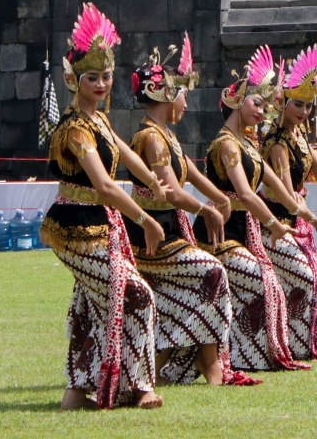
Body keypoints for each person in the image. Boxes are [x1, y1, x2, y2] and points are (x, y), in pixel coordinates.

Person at [40, 2, 166, 410]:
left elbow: (124, 154)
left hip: (98, 224)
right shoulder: (76, 128)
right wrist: (145, 218)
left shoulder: (98, 121)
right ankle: (139, 386)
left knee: (90, 305)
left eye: (106, 76)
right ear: (73, 79)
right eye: (91, 77)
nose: (100, 83)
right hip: (77, 228)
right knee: (137, 295)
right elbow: (105, 185)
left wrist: (151, 180)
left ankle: (76, 392)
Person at [128, 34, 253, 386]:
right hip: (154, 233)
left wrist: (220, 199)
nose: (186, 101)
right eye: (183, 93)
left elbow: (192, 173)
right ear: (166, 95)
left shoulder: (165, 134)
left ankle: (167, 359)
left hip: (173, 228)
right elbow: (172, 191)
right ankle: (209, 361)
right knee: (212, 273)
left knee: (189, 293)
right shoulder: (151, 137)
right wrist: (207, 210)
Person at [193, 46, 308, 373]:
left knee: (268, 284)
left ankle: (254, 356)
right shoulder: (227, 144)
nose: (261, 111)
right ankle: (243, 357)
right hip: (221, 232)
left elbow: (280, 189)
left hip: (245, 230)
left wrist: (305, 215)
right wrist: (273, 222)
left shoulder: (246, 144)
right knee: (263, 282)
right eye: (256, 103)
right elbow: (245, 193)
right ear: (236, 100)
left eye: (265, 106)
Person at [261, 41, 317, 362]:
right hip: (275, 223)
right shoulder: (275, 143)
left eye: (308, 106)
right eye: (297, 104)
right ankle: (290, 344)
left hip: (296, 219)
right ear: (282, 102)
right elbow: (286, 193)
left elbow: (315, 165)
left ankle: (300, 343)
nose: (304, 112)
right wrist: (314, 218)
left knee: (309, 279)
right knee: (303, 279)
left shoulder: (299, 137)